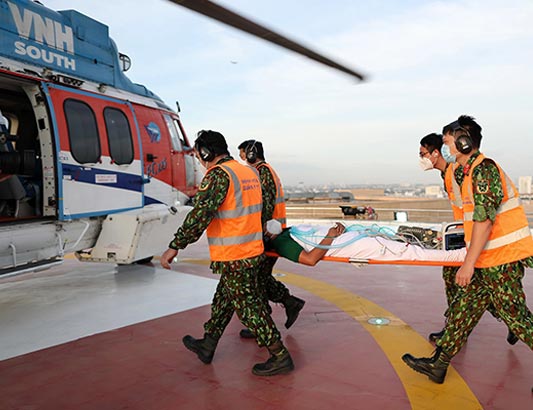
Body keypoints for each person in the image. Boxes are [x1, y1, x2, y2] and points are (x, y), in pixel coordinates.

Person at [403, 115, 533, 384]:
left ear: (463, 142)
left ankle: (440, 362)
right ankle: (439, 364)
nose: (446, 148)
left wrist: (468, 263)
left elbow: (484, 221)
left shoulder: (484, 170)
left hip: (501, 260)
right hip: (485, 258)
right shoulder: (466, 172)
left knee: (518, 321)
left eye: (448, 142)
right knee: (463, 310)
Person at [160, 130, 294, 376]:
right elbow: (264, 210)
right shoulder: (248, 172)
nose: (200, 162)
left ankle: (279, 355)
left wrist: (175, 245)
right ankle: (208, 344)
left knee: (249, 309)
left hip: (235, 254)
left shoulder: (219, 175)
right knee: (224, 300)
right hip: (252, 250)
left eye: (199, 156)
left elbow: (200, 215)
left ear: (205, 153)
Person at [420, 132, 518, 344]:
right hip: (462, 235)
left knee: (468, 286)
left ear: (435, 153)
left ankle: (456, 333)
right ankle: (456, 333)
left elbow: (472, 210)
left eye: (423, 154)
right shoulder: (448, 173)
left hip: (471, 238)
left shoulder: (457, 172)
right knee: (468, 286)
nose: (421, 159)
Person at [237, 139, 305, 338]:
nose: (242, 158)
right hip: (271, 231)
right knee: (260, 278)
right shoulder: (264, 171)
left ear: (251, 154)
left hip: (269, 234)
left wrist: (258, 231)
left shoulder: (262, 172)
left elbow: (265, 205)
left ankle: (279, 310)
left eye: (243, 154)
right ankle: (283, 307)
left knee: (257, 279)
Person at [265, 220, 467, 265]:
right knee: (411, 252)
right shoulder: (282, 242)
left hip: (358, 236)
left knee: (409, 240)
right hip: (360, 245)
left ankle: (458, 250)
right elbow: (310, 260)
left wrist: (338, 229)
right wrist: (331, 236)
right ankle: (459, 256)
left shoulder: (290, 230)